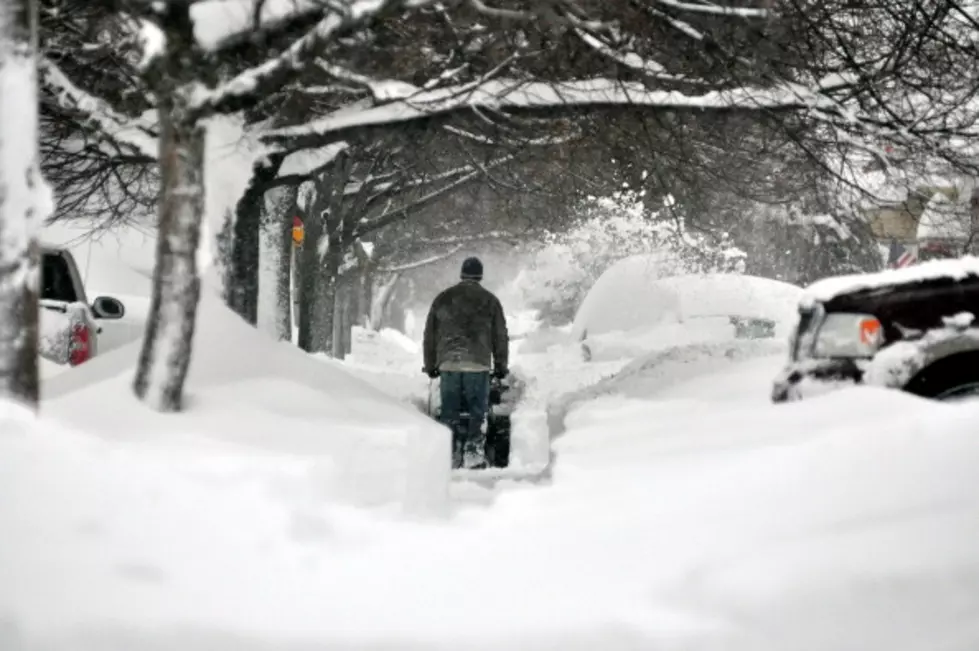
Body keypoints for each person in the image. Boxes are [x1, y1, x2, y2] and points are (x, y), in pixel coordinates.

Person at [423, 256, 509, 469]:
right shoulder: (490, 301)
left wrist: (431, 364)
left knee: (449, 411)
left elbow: (430, 335)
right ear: (480, 276)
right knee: (477, 410)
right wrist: (500, 367)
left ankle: (449, 451)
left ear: (462, 274)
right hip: (478, 365)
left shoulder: (442, 299)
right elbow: (500, 336)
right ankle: (473, 451)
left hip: (449, 364)